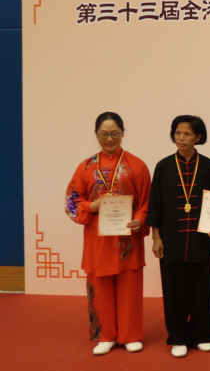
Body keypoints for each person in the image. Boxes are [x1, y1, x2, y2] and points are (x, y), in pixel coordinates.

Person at [64, 112, 151, 356]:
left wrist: (140, 219)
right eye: (104, 134)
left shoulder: (137, 165)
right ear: (96, 135)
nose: (109, 139)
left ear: (123, 133)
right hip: (97, 239)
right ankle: (105, 335)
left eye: (114, 133)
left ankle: (130, 335)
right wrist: (91, 206)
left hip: (128, 239)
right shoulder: (86, 167)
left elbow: (147, 201)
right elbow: (72, 201)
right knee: (100, 286)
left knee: (129, 286)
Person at [146, 115, 210, 358]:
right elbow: (155, 206)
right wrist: (156, 238)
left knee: (201, 290)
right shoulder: (163, 167)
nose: (181, 138)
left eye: (187, 134)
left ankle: (202, 335)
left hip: (201, 239)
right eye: (177, 133)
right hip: (171, 240)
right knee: (173, 291)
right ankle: (178, 338)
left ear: (198, 137)